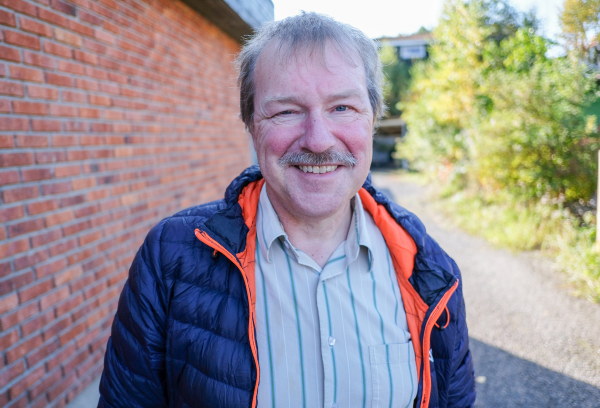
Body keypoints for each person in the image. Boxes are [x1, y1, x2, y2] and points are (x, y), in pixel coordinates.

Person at [98, 12, 475, 408]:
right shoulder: (170, 258)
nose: (318, 140)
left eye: (342, 107)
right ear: (251, 125)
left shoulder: (431, 272)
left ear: (373, 118)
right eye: (286, 111)